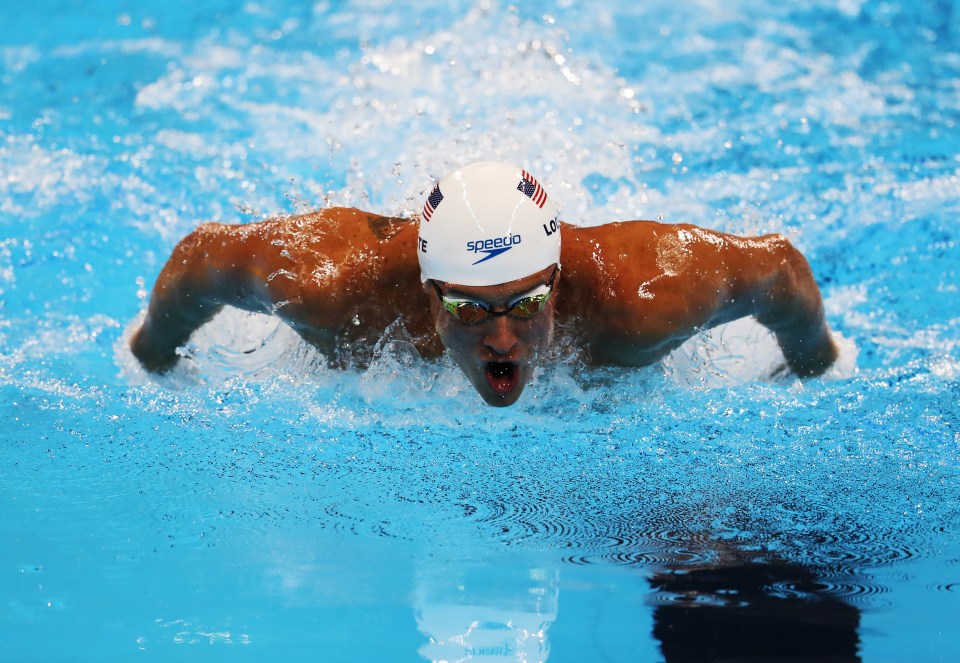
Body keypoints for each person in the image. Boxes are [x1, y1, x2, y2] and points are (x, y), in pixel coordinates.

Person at [130, 161, 837, 406]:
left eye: (527, 304)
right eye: (472, 310)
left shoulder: (640, 297)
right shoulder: (339, 291)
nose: (503, 337)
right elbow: (202, 259)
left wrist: (816, 365)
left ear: (556, 286)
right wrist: (153, 357)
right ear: (430, 294)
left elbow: (780, 271)